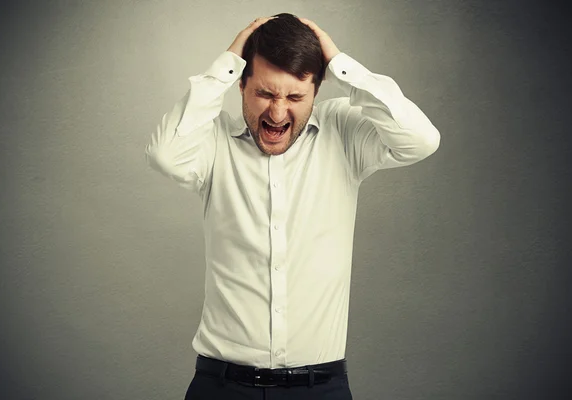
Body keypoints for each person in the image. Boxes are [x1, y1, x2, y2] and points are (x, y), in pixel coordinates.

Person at [145, 13, 440, 400]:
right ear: (242, 86)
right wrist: (227, 64)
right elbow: (165, 156)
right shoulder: (214, 141)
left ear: (317, 91)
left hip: (321, 388)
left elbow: (420, 140)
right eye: (265, 93)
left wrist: (341, 66)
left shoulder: (343, 131)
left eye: (296, 97)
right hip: (222, 387)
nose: (278, 113)